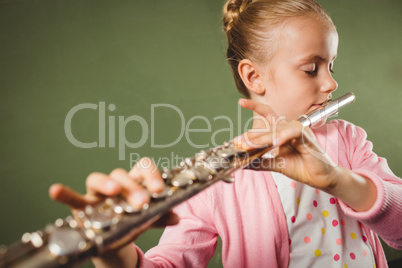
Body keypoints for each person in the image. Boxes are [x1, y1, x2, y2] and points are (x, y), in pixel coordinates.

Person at [49, 0, 402, 267]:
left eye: (331, 65)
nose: (331, 82)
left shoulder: (347, 140)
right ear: (254, 77)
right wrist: (114, 249)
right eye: (311, 69)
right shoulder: (220, 180)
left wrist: (339, 180)